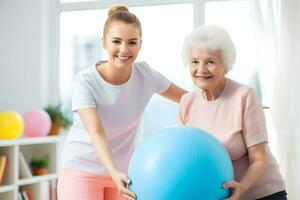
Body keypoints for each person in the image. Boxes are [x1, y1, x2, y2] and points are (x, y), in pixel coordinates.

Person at [57, 5, 187, 200]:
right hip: (82, 171)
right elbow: (97, 132)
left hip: (124, 174)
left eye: (132, 42)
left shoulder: (147, 76)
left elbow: (188, 99)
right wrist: (113, 172)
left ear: (140, 45)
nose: (124, 50)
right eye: (116, 41)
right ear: (104, 43)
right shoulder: (84, 81)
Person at [178, 25, 286, 200]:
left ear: (226, 66)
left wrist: (241, 188)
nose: (201, 69)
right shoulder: (186, 102)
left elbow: (260, 158)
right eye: (195, 61)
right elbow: (184, 156)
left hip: (262, 194)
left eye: (210, 61)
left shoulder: (245, 96)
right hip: (220, 195)